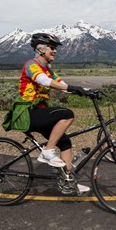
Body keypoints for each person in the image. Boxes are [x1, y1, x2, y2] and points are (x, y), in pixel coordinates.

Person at [20, 33, 89, 192]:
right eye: (52, 47)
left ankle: (68, 182)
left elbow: (61, 84)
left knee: (65, 143)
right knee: (66, 114)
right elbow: (43, 81)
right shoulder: (31, 65)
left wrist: (86, 91)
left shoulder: (47, 69)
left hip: (39, 113)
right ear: (40, 49)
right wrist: (70, 88)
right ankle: (47, 152)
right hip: (27, 113)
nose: (55, 51)